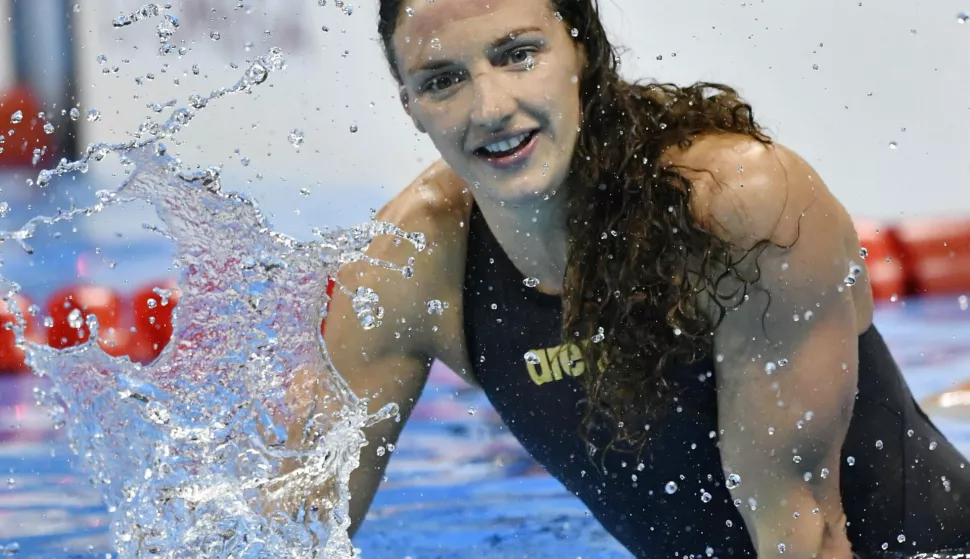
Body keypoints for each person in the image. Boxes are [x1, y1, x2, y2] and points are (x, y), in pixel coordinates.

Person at [313, 0, 970, 557]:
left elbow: (808, 528)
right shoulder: (404, 266)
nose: (490, 106)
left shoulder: (737, 204)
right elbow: (294, 522)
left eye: (518, 54)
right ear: (410, 105)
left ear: (581, 50)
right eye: (443, 79)